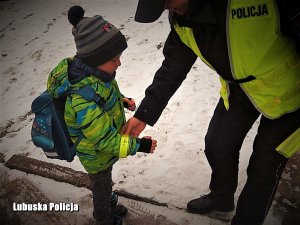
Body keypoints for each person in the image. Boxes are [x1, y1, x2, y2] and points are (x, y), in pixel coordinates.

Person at [122, 0, 300, 225]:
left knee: (263, 168)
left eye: (167, 2)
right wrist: (143, 115)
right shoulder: (181, 19)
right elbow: (173, 67)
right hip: (240, 89)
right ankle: (221, 199)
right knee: (218, 144)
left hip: (290, 95)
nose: (168, 9)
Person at [47, 6, 157, 225]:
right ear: (93, 59)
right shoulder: (82, 101)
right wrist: (140, 146)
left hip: (104, 152)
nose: (119, 63)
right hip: (96, 156)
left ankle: (108, 200)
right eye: (114, 59)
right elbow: (105, 140)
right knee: (101, 185)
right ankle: (103, 216)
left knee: (105, 183)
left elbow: (106, 96)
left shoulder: (99, 76)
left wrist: (121, 100)